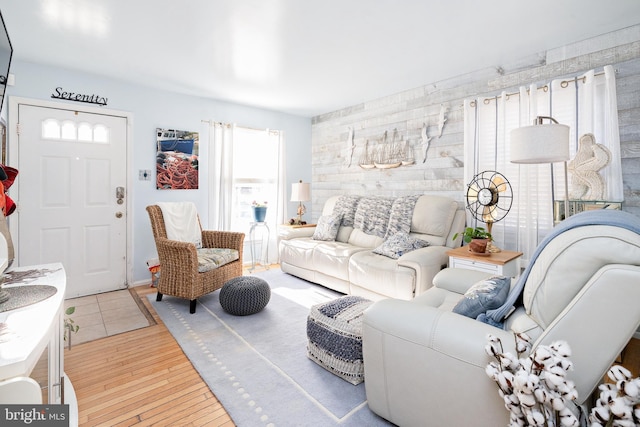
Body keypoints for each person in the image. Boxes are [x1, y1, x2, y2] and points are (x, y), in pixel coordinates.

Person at [567, 133, 611, 200]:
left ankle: (596, 197)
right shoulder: (573, 168)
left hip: (579, 170)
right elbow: (601, 160)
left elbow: (601, 160)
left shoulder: (575, 167)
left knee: (596, 188)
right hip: (576, 173)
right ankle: (595, 197)